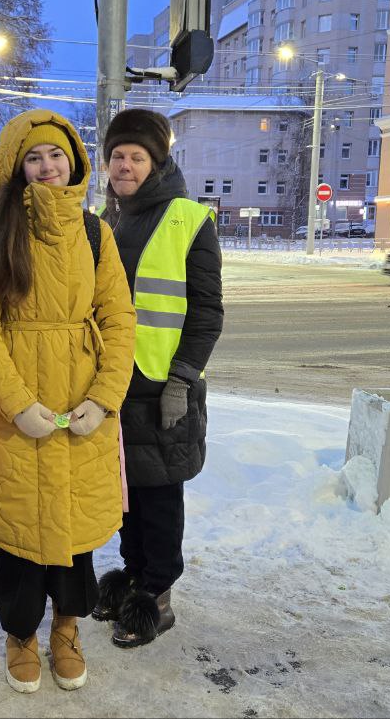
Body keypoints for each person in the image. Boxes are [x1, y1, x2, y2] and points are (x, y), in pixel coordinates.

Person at [0, 110, 136, 693]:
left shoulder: (95, 233)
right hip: (21, 413)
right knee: (20, 534)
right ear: (16, 167)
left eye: (55, 155)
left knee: (75, 533)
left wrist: (105, 399)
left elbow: (118, 318)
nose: (46, 166)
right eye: (33, 157)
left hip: (82, 408)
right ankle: (20, 635)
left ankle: (67, 628)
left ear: (74, 161)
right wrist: (15, 403)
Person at [90, 108, 224, 649]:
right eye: (118, 156)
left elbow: (207, 313)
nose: (125, 165)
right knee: (125, 494)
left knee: (160, 498)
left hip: (161, 385)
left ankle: (157, 598)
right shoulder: (103, 220)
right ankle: (130, 579)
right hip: (111, 382)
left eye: (136, 156)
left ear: (156, 162)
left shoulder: (189, 219)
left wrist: (182, 380)